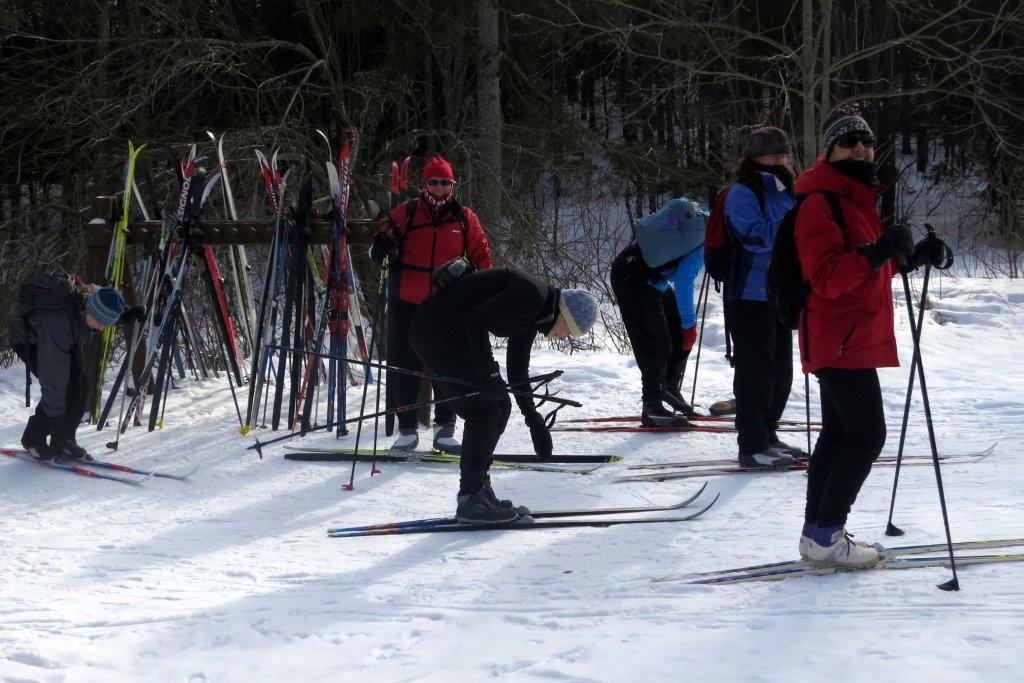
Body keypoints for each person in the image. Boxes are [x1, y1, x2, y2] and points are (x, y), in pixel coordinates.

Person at [793, 110, 943, 566]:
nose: (860, 148)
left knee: (841, 434)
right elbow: (827, 277)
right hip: (838, 336)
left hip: (849, 336)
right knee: (865, 435)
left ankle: (817, 534)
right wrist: (878, 249)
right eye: (849, 141)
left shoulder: (856, 199)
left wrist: (911, 257)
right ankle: (826, 537)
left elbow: (870, 270)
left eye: (866, 141)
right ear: (830, 151)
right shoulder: (821, 202)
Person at [409, 267, 598, 523]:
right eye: (571, 332)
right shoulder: (533, 296)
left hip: (441, 330)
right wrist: (489, 373)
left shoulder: (539, 311)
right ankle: (471, 500)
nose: (565, 338)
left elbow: (518, 372)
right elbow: (476, 320)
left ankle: (478, 492)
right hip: (438, 330)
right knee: (486, 409)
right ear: (565, 316)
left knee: (498, 407)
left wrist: (534, 421)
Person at [369, 156, 493, 454]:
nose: (439, 189)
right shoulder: (407, 212)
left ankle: (444, 428)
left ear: (453, 184)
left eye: (445, 183)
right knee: (405, 364)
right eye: (433, 182)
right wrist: (383, 247)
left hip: (448, 303)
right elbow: (376, 248)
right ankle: (407, 429)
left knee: (445, 365)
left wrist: (483, 290)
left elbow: (482, 256)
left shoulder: (465, 218)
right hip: (407, 301)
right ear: (424, 184)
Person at [723, 126, 801, 468]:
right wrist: (793, 226)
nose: (779, 161)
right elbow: (752, 236)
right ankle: (751, 445)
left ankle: (768, 435)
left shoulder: (788, 190)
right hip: (748, 292)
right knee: (756, 372)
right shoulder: (742, 192)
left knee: (781, 372)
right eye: (772, 155)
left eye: (783, 155)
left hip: (780, 292)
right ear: (754, 158)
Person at [8, 271, 137, 464]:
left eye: (107, 324)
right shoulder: (58, 324)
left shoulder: (91, 300)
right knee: (64, 387)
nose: (102, 329)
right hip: (32, 340)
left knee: (80, 383)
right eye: (102, 323)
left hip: (64, 337)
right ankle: (33, 438)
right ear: (89, 312)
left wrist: (124, 315)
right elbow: (53, 383)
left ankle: (67, 439)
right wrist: (56, 433)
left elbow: (103, 306)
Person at [610, 197, 705, 426]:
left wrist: (685, 329)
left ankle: (668, 388)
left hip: (650, 278)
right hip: (631, 277)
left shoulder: (705, 224)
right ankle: (652, 404)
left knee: (677, 335)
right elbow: (683, 281)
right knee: (657, 341)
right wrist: (689, 324)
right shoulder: (706, 240)